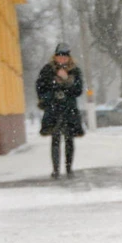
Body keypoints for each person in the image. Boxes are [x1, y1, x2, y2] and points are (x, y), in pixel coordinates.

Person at [35, 42, 84, 179]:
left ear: (69, 58)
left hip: (69, 110)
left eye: (65, 57)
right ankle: (56, 170)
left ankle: (69, 168)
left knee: (69, 140)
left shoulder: (75, 71)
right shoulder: (47, 70)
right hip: (53, 109)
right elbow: (40, 88)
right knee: (55, 139)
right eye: (59, 56)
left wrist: (66, 79)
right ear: (55, 57)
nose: (62, 59)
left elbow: (78, 90)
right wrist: (50, 93)